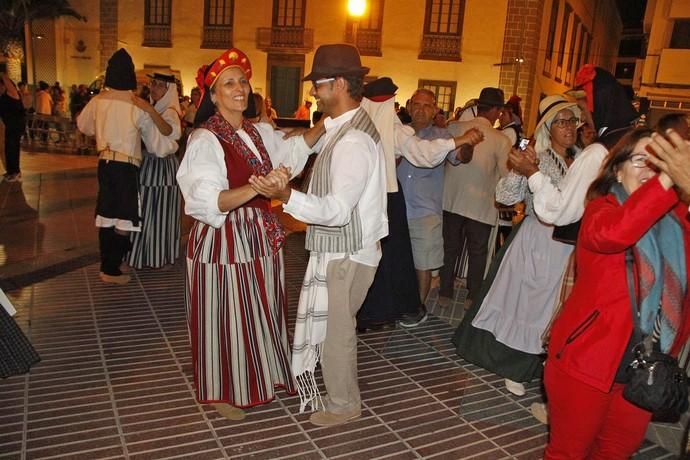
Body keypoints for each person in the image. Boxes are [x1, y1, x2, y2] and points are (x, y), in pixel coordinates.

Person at [177, 47, 322, 421]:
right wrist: (260, 188)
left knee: (261, 308)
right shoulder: (205, 140)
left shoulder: (256, 132)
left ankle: (261, 375)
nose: (239, 87)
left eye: (242, 80)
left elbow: (292, 148)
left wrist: (330, 123)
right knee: (223, 314)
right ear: (212, 95)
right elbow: (207, 200)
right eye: (229, 83)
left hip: (259, 236)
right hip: (222, 239)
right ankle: (220, 390)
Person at [250, 43, 387, 427]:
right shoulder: (341, 128)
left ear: (341, 84)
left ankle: (345, 404)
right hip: (346, 248)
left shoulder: (353, 141)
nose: (313, 91)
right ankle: (339, 395)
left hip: (348, 252)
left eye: (320, 84)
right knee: (333, 328)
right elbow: (304, 152)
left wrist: (286, 196)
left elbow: (337, 210)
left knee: (337, 332)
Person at [543, 128, 690, 458]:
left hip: (648, 367)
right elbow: (614, 234)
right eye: (643, 159)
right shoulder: (601, 211)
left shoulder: (680, 221)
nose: (652, 169)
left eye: (662, 161)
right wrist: (667, 179)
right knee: (569, 452)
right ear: (617, 169)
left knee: (616, 452)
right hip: (587, 363)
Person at [453, 95, 581, 397]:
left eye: (572, 120)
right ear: (548, 127)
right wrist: (519, 169)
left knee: (552, 308)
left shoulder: (580, 159)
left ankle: (536, 366)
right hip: (538, 239)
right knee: (524, 304)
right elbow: (507, 197)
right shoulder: (538, 156)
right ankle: (511, 366)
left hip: (568, 245)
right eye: (561, 121)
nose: (568, 127)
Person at [356, 78, 483, 331]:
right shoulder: (396, 129)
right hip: (394, 209)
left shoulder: (442, 135)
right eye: (417, 104)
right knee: (393, 261)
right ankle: (394, 306)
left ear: (435, 109)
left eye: (427, 105)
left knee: (422, 263)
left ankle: (417, 308)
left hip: (424, 210)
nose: (421, 110)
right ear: (409, 106)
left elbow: (456, 157)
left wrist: (466, 142)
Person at [77, 48, 178, 285]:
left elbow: (84, 126)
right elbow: (157, 144)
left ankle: (108, 265)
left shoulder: (98, 100)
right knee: (124, 216)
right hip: (127, 165)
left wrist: (101, 131)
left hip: (104, 162)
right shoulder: (136, 104)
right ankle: (112, 269)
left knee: (106, 213)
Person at [440, 87, 510, 307]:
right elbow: (505, 175)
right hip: (481, 203)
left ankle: (444, 292)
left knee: (449, 247)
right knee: (477, 251)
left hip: (450, 199)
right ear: (496, 111)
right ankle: (472, 296)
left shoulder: (454, 127)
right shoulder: (501, 139)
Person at [126, 73, 182, 270]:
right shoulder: (157, 108)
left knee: (161, 214)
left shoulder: (171, 111)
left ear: (169, 90)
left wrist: (149, 110)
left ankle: (157, 255)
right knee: (148, 211)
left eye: (159, 85)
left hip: (163, 167)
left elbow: (169, 131)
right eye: (153, 84)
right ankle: (146, 254)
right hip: (150, 165)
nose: (154, 88)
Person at [0, 73, 26, 182]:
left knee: (12, 148)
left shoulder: (12, 94)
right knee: (8, 149)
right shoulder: (2, 97)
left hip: (16, 125)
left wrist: (2, 74)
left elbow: (7, 81)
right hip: (8, 126)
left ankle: (16, 172)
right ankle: (11, 171)